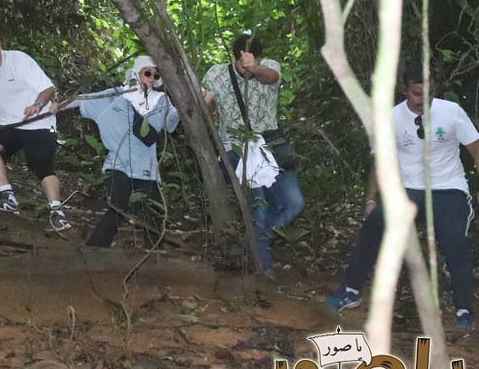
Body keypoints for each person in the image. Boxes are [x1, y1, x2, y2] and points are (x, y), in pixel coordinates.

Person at [326, 61, 479, 330]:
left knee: (454, 240)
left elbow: (475, 150)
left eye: (428, 93)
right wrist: (371, 200)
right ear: (404, 89)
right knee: (374, 224)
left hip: (449, 189)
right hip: (408, 190)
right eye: (417, 94)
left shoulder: (451, 112)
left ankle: (464, 310)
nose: (423, 100)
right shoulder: (392, 118)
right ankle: (350, 290)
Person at [202, 33, 304, 271]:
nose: (246, 69)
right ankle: (263, 270)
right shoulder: (217, 73)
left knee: (294, 203)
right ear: (232, 57)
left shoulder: (269, 68)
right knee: (258, 204)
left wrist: (255, 68)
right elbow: (202, 102)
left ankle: (252, 242)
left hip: (270, 147)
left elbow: (272, 78)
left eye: (253, 62)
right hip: (236, 146)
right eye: (241, 64)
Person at [60, 56, 180, 246]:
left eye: (155, 75)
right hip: (118, 165)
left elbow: (174, 119)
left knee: (155, 214)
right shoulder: (115, 97)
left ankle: (153, 257)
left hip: (146, 169)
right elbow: (82, 99)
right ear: (135, 74)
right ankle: (94, 251)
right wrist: (53, 107)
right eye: (147, 73)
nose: (151, 78)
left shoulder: (160, 102)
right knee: (118, 207)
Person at [0, 31, 72, 232]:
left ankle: (57, 211)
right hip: (7, 124)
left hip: (37, 122)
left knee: (41, 163)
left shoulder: (18, 60)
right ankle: (8, 197)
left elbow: (47, 88)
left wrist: (37, 105)